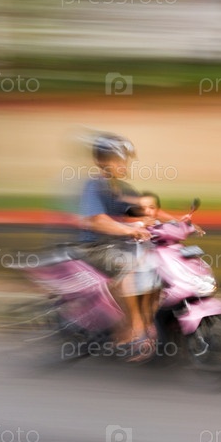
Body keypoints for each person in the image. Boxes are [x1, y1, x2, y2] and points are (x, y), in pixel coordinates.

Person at [77, 134, 158, 362]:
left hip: (119, 244)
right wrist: (128, 230)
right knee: (129, 268)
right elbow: (97, 221)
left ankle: (148, 323)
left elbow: (146, 210)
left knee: (157, 265)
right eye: (117, 160)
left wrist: (178, 222)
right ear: (102, 161)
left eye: (124, 160)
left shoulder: (123, 188)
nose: (123, 165)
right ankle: (136, 330)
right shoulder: (94, 186)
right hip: (95, 247)